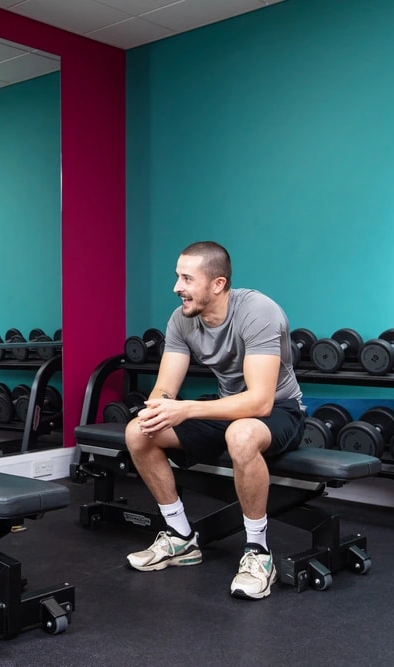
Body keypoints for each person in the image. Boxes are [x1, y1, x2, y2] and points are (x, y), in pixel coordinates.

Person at [124, 241, 304, 601]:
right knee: (138, 432)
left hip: (280, 410)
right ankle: (180, 537)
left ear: (217, 284)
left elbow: (260, 400)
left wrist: (186, 409)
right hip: (225, 407)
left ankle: (257, 552)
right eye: (177, 276)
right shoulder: (182, 320)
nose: (177, 287)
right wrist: (158, 409)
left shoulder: (258, 311)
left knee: (241, 434)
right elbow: (164, 388)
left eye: (186, 278)